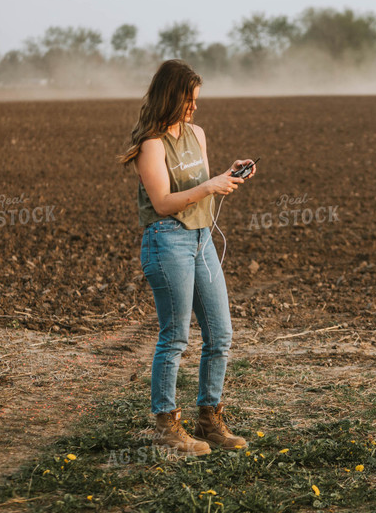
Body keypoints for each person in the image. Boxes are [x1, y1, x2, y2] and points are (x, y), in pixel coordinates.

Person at [119, 59, 256, 457]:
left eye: (196, 100)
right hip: (167, 241)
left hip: (202, 240)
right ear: (171, 97)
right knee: (175, 336)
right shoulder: (151, 145)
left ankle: (209, 420)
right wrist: (210, 186)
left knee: (221, 334)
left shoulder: (197, 133)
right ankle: (166, 426)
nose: (194, 108)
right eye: (188, 100)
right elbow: (163, 202)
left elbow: (198, 186)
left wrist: (226, 176)